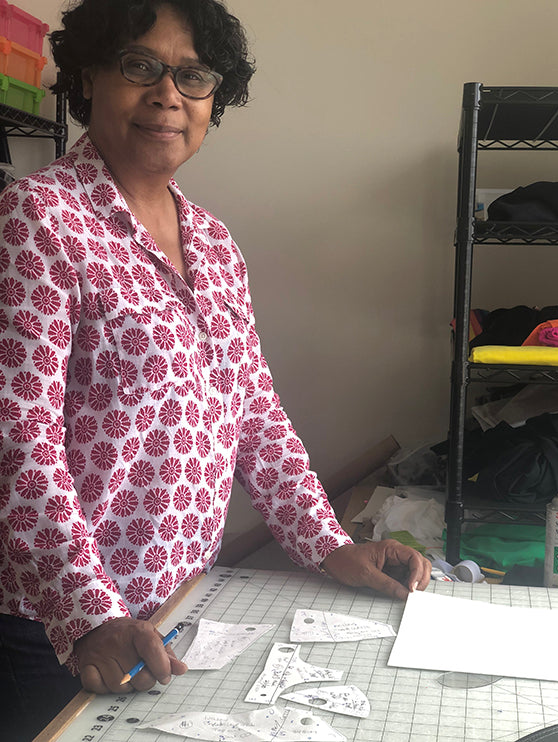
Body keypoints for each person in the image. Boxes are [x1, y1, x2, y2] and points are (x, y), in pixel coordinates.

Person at [0, 0, 431, 738]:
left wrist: (330, 545)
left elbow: (254, 416)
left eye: (193, 76)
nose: (168, 94)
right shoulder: (37, 219)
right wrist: (89, 613)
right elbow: (18, 437)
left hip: (180, 611)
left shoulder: (213, 242)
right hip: (61, 632)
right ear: (88, 79)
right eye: (140, 65)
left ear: (212, 101)